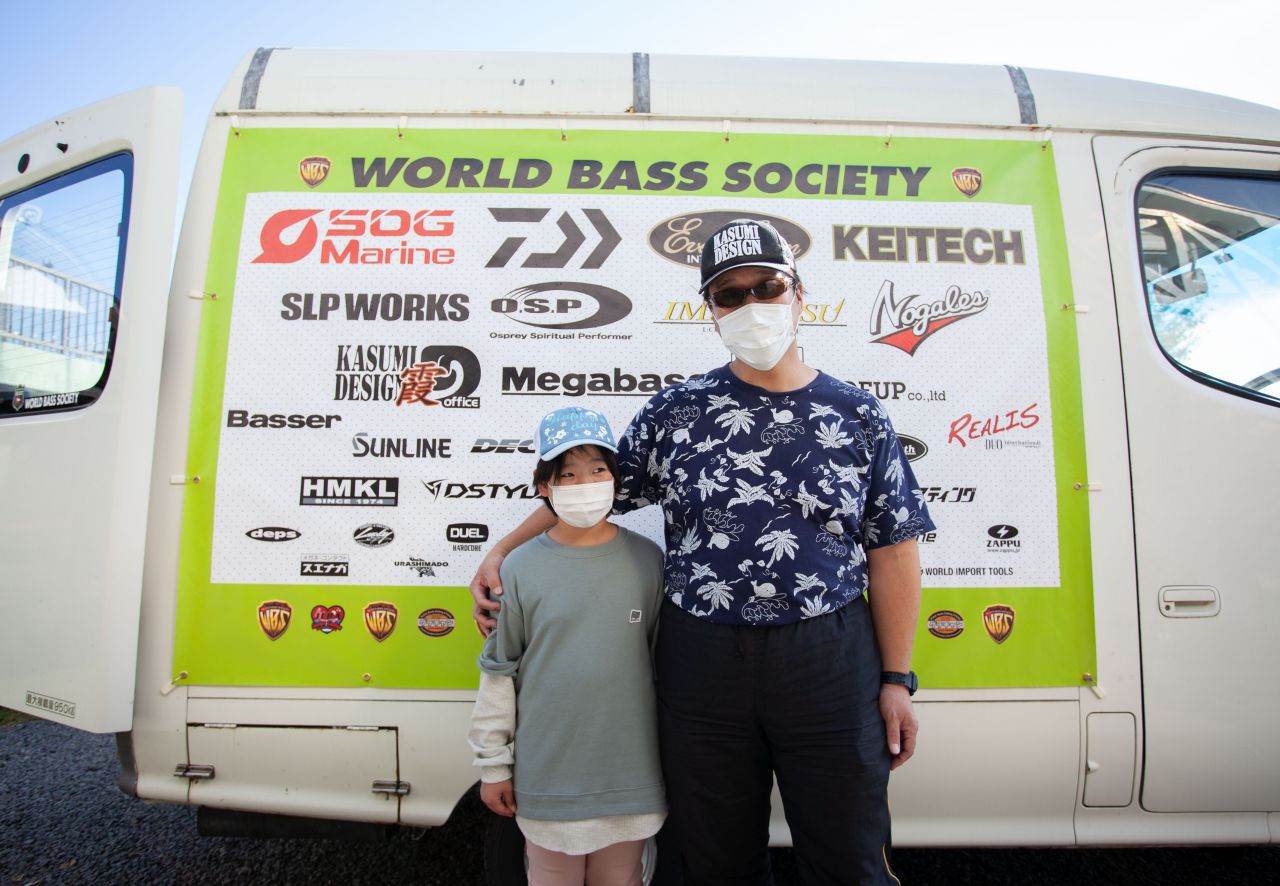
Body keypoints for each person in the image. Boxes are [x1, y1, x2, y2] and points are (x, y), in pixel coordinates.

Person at [472, 220, 934, 885]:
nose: (751, 305)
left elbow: (893, 551)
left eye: (766, 287)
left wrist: (896, 680)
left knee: (849, 856)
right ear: (710, 310)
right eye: (730, 294)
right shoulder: (677, 412)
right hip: (703, 661)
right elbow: (592, 492)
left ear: (799, 293)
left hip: (829, 659)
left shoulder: (857, 414)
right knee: (713, 859)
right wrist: (502, 550)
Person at [468, 406, 667, 886]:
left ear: (616, 479)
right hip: (548, 780)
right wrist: (493, 766)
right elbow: (499, 672)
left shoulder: (648, 561)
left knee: (621, 877)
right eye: (568, 474)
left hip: (631, 779)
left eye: (598, 470)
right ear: (544, 486)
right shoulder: (519, 569)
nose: (585, 484)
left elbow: (666, 671)